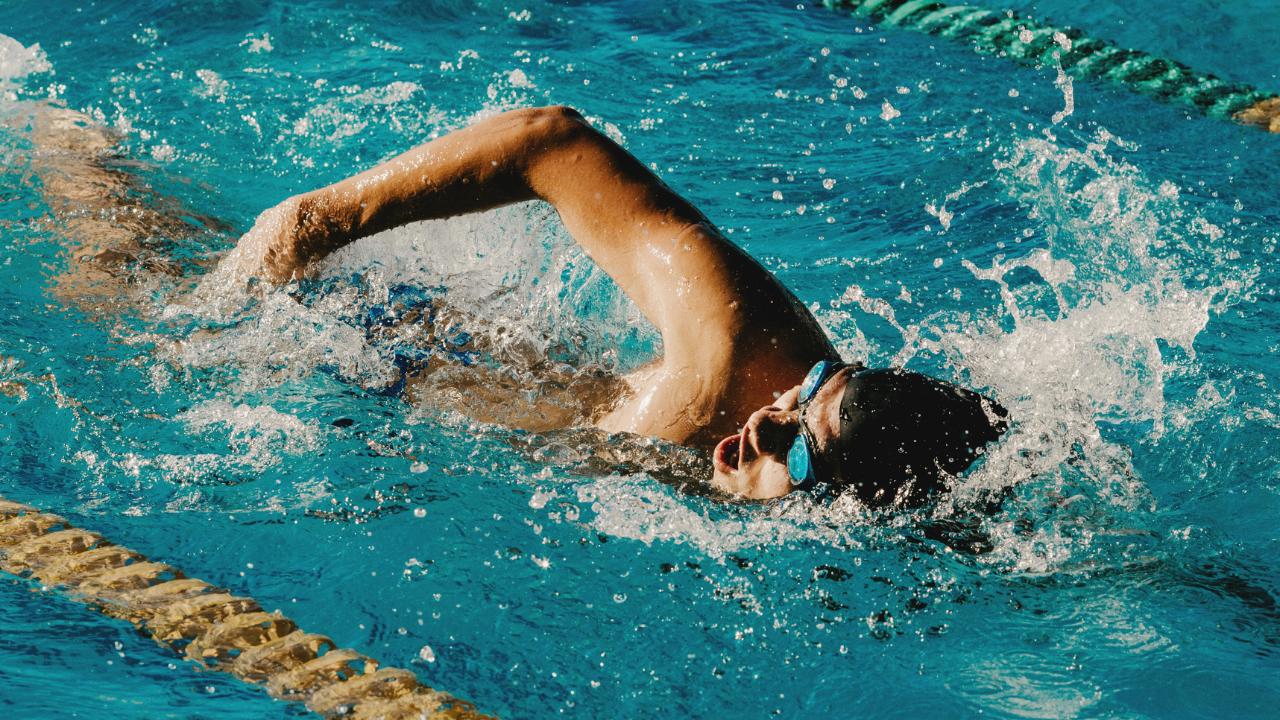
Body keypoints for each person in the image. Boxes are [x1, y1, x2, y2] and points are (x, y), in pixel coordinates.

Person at [224, 105, 1007, 506]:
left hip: (395, 423)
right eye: (808, 393)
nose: (768, 419)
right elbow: (551, 140)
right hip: (357, 349)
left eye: (800, 448)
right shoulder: (734, 350)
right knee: (122, 267)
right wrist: (314, 222)